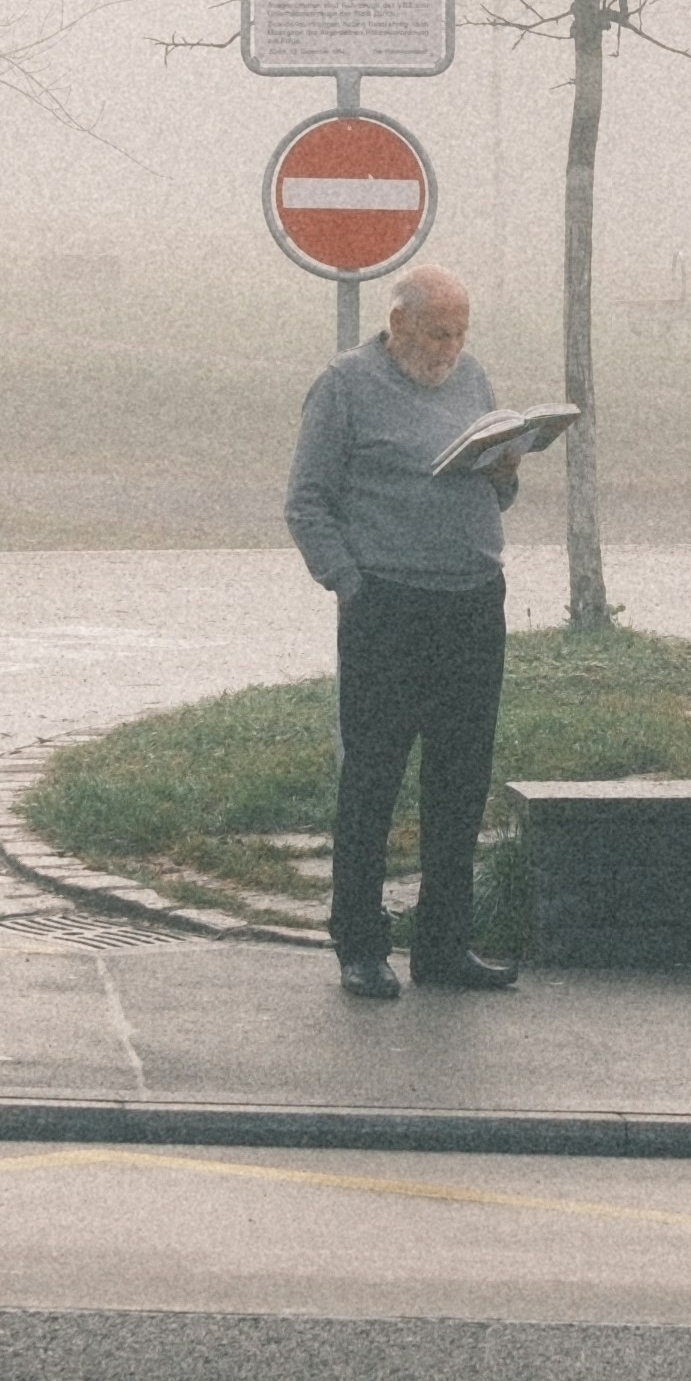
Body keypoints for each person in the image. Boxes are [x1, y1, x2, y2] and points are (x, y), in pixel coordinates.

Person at [283, 263, 522, 1000]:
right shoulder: (345, 386)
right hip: (388, 606)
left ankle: (443, 945)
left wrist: (506, 469)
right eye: (437, 333)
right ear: (398, 326)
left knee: (459, 780)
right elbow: (307, 504)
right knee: (374, 779)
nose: (450, 347)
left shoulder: (473, 380)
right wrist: (352, 587)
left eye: (460, 333)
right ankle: (359, 943)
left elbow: (498, 493)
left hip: (472, 602)